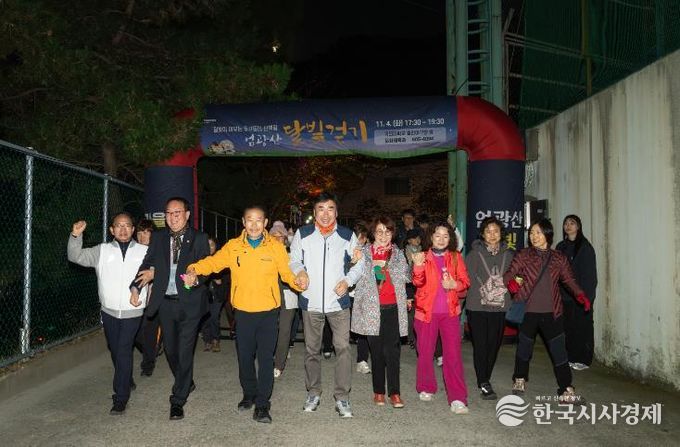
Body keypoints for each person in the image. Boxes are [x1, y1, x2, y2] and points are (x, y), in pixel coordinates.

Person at [184, 207, 307, 423]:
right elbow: (214, 262)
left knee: (266, 359)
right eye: (250, 220)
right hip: (242, 313)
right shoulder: (234, 247)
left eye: (259, 220)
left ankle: (263, 404)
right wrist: (195, 268)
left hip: (268, 312)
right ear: (243, 222)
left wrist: (297, 281)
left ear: (265, 223)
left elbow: (286, 273)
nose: (254, 225)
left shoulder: (276, 247)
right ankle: (249, 394)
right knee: (244, 356)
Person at [129, 197, 210, 421]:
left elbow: (206, 268)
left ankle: (178, 399)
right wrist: (136, 287)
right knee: (171, 351)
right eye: (168, 214)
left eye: (177, 213)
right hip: (165, 303)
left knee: (184, 352)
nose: (172, 218)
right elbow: (147, 263)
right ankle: (186, 381)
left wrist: (196, 277)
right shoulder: (159, 237)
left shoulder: (199, 238)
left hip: (190, 303)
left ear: (187, 215)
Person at [289, 192, 364, 418]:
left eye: (330, 208)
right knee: (312, 350)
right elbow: (293, 260)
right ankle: (313, 392)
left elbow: (359, 263)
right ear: (314, 212)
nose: (325, 214)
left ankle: (342, 397)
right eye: (320, 209)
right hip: (310, 302)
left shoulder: (347, 235)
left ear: (336, 212)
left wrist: (347, 281)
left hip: (338, 303)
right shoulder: (303, 234)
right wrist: (300, 272)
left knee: (343, 349)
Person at [67, 213, 148, 415]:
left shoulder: (144, 251)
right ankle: (126, 378)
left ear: (133, 229)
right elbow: (75, 257)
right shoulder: (102, 251)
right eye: (119, 226)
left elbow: (159, 270)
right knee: (115, 349)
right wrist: (75, 237)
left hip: (133, 311)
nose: (123, 229)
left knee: (123, 350)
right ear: (112, 230)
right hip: (109, 311)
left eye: (127, 225)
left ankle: (120, 398)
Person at [503, 219, 591, 404]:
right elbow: (510, 274)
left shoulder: (559, 258)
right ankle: (519, 378)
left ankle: (566, 389)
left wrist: (580, 295)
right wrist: (511, 283)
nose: (533, 236)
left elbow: (569, 280)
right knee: (524, 348)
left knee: (559, 352)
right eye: (531, 233)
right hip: (527, 311)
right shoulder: (524, 254)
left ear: (547, 234)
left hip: (553, 312)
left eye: (538, 232)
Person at [411, 221, 471, 414]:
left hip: (450, 314)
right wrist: (418, 266)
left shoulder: (455, 257)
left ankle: (458, 398)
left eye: (446, 236)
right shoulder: (422, 256)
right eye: (437, 235)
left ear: (450, 238)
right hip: (425, 313)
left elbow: (465, 282)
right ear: (431, 237)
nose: (441, 239)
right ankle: (426, 386)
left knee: (453, 356)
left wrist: (454, 285)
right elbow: (417, 282)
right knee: (425, 353)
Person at [351, 216, 409, 408]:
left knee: (392, 352)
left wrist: (387, 268)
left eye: (387, 231)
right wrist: (354, 261)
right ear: (373, 234)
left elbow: (407, 276)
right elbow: (352, 272)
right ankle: (378, 392)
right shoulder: (363, 252)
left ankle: (395, 393)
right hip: (371, 309)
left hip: (393, 308)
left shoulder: (398, 253)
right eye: (379, 232)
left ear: (392, 234)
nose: (383, 236)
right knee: (376, 352)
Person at [464, 217, 515, 400]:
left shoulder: (510, 255)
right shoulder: (473, 255)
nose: (492, 235)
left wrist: (515, 284)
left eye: (496, 231)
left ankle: (486, 376)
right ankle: (483, 381)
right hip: (477, 305)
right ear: (483, 234)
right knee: (481, 345)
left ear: (501, 233)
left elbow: (516, 277)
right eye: (488, 231)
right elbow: (467, 279)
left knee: (494, 345)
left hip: (499, 306)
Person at [556, 214, 598, 371]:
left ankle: (583, 359)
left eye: (572, 223)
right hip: (565, 296)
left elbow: (590, 275)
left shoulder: (585, 248)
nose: (568, 226)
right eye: (566, 223)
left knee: (582, 327)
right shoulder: (561, 247)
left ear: (578, 227)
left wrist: (586, 297)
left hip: (581, 296)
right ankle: (570, 357)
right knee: (568, 328)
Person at [270, 221, 299, 378]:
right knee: (270, 328)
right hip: (269, 295)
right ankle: (270, 355)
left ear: (285, 238)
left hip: (288, 294)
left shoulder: (291, 254)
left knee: (284, 329)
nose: (277, 239)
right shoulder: (264, 253)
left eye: (280, 236)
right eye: (273, 236)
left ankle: (279, 364)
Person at [133, 219, 162, 377]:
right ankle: (152, 350)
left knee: (150, 332)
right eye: (139, 233)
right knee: (136, 334)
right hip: (136, 301)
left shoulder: (159, 251)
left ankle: (148, 365)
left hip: (154, 301)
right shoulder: (132, 252)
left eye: (146, 232)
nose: (142, 236)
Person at [200, 237, 229, 353]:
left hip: (217, 294)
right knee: (204, 318)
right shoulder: (200, 259)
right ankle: (207, 340)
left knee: (214, 317)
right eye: (207, 245)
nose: (210, 247)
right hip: (204, 294)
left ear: (216, 246)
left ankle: (216, 340)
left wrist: (218, 279)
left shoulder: (220, 259)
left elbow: (225, 278)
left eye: (212, 245)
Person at [350, 222, 371, 374]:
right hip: (348, 294)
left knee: (363, 328)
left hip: (364, 294)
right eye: (359, 237)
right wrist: (351, 262)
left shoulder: (369, 251)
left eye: (364, 237)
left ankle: (362, 360)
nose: (361, 240)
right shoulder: (346, 249)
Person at [402, 228, 422, 349]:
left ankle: (418, 338)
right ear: (409, 240)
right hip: (408, 286)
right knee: (410, 314)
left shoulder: (423, 252)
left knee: (419, 313)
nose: (418, 240)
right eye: (415, 238)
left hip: (420, 286)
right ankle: (411, 338)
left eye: (418, 237)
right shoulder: (404, 253)